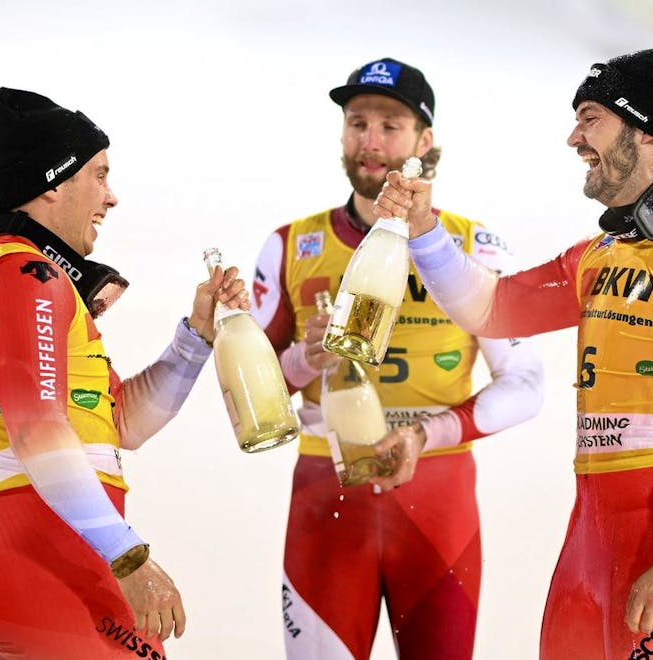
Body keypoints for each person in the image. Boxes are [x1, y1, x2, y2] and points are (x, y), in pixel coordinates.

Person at [376, 48, 653, 659]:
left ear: (645, 130)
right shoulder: (600, 254)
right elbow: (492, 308)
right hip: (590, 538)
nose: (574, 139)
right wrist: (425, 227)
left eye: (590, 119)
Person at [249, 57, 545, 660]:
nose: (371, 141)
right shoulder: (290, 245)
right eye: (357, 123)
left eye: (391, 125)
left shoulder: (475, 247)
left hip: (437, 506)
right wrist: (306, 359)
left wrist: (428, 434)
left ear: (423, 141)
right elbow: (253, 400)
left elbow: (527, 382)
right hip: (328, 499)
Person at [0, 87, 249, 659]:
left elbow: (119, 423)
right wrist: (128, 557)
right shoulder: (27, 276)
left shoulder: (17, 277)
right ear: (54, 182)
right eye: (100, 175)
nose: (111, 197)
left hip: (29, 540)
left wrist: (196, 337)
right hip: (41, 546)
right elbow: (37, 431)